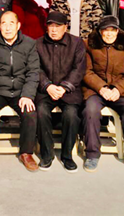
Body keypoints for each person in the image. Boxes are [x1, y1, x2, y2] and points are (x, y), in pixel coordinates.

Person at [0, 11, 40, 172]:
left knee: (30, 113)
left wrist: (27, 95)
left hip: (20, 91)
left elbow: (33, 73)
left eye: (11, 23)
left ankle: (26, 153)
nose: (8, 27)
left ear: (18, 26)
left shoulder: (29, 44)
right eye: (4, 23)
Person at [82, 15, 124, 174]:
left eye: (112, 30)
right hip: (96, 89)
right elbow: (86, 71)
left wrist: (117, 89)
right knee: (90, 111)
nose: (109, 34)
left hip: (120, 90)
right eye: (105, 30)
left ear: (117, 31)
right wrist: (101, 87)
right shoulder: (89, 44)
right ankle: (92, 154)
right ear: (100, 31)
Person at [36, 11, 85, 173]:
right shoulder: (38, 43)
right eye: (50, 26)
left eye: (58, 26)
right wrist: (47, 86)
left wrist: (64, 87)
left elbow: (79, 69)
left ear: (65, 27)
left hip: (69, 91)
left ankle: (67, 155)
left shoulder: (76, 43)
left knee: (71, 114)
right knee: (41, 112)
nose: (54, 30)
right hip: (46, 90)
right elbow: (35, 68)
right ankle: (46, 154)